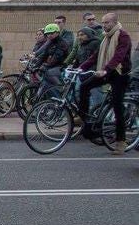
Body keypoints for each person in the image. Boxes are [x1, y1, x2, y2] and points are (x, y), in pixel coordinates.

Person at [77, 12, 132, 154]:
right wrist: (81, 67)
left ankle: (121, 141)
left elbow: (118, 56)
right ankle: (86, 120)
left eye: (107, 23)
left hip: (119, 73)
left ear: (114, 22)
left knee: (117, 105)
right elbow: (96, 55)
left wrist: (106, 70)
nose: (104, 25)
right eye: (103, 23)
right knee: (84, 86)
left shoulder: (123, 35)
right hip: (106, 71)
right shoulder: (105, 37)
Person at [34, 23, 70, 95]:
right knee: (45, 83)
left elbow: (57, 57)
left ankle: (58, 98)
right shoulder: (50, 42)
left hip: (60, 67)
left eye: (51, 33)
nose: (49, 35)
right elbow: (44, 55)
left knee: (53, 84)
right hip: (51, 66)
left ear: (57, 32)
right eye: (47, 34)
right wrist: (36, 66)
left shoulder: (62, 43)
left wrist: (47, 65)